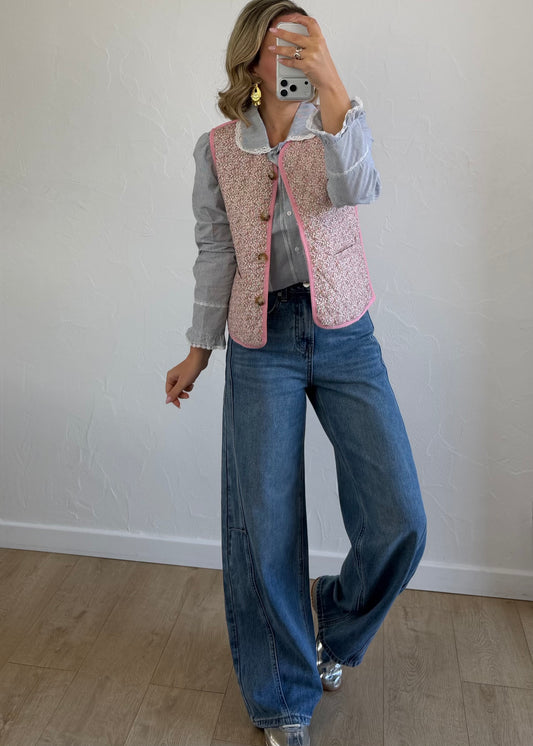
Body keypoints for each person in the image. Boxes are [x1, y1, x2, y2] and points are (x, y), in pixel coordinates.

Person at [165, 2, 427, 744]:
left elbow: (361, 190)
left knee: (400, 517)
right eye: (283, 42)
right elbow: (216, 249)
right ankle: (282, 699)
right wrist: (198, 348)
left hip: (345, 333)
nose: (297, 54)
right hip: (261, 342)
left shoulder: (336, 123)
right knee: (266, 524)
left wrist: (334, 88)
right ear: (253, 56)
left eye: (308, 41)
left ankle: (331, 627)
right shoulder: (218, 147)